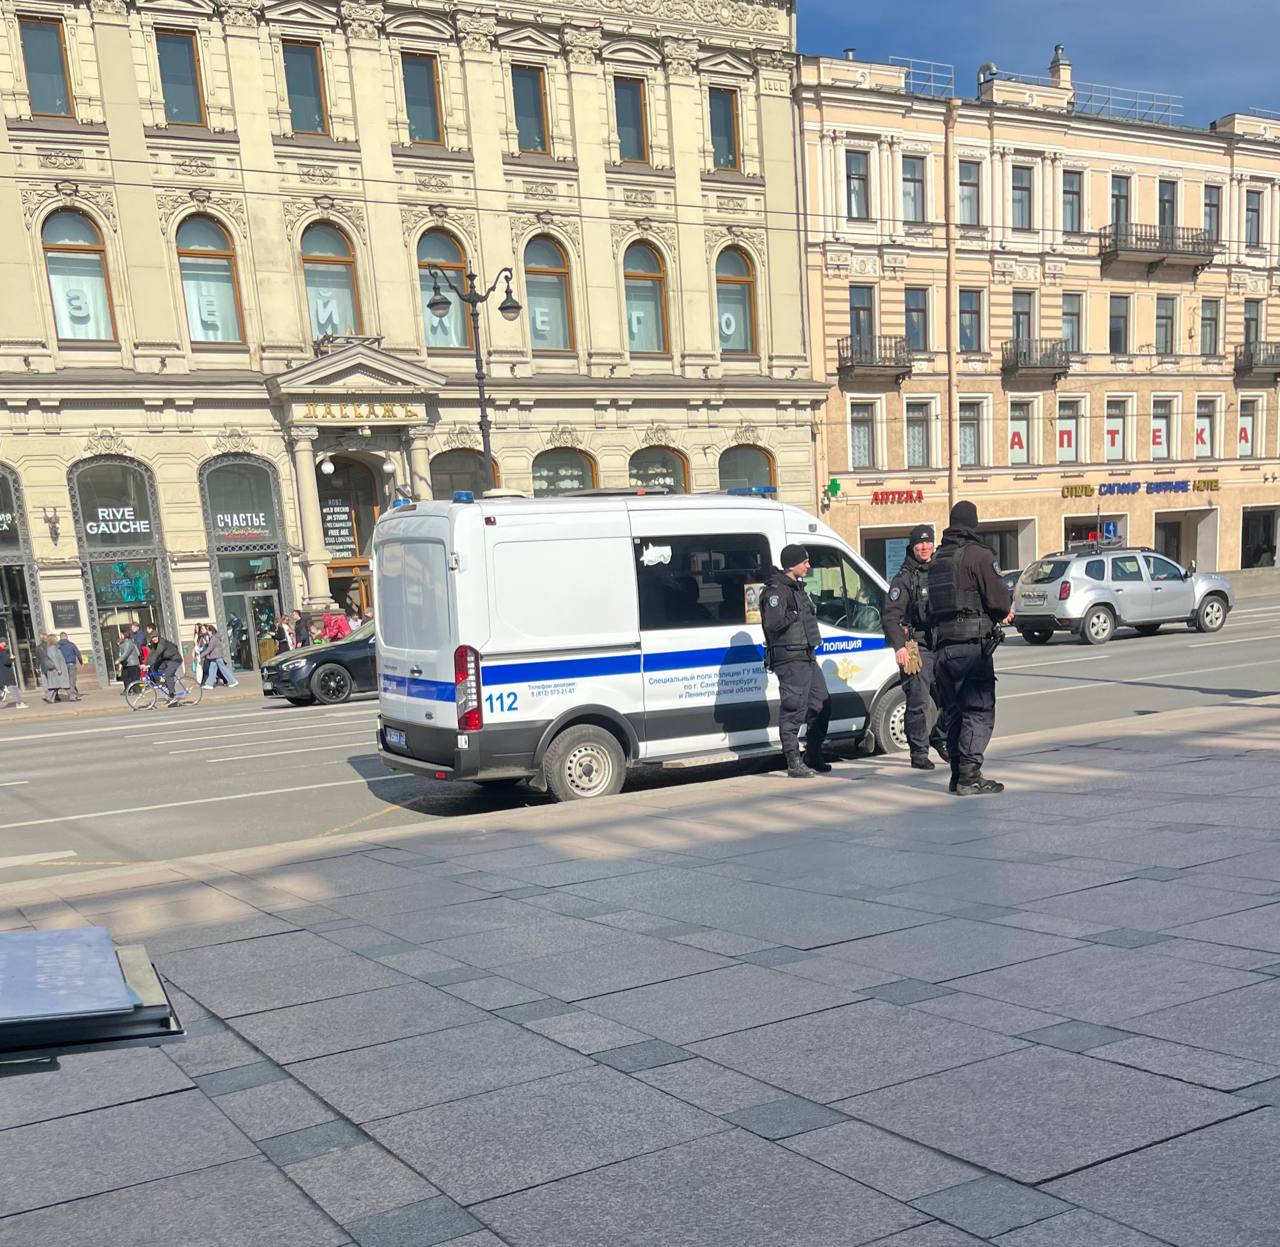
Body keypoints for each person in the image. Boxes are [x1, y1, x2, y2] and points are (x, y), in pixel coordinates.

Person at [927, 500, 1014, 797]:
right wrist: (1002, 612)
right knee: (978, 711)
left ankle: (956, 775)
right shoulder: (979, 555)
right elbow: (1000, 602)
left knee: (954, 712)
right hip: (971, 648)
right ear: (973, 523)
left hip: (942, 649)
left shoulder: (938, 560)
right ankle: (969, 776)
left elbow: (928, 608)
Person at [882, 524, 950, 771]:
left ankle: (940, 737)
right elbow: (890, 617)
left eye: (928, 542)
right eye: (920, 543)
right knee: (918, 700)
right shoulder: (904, 579)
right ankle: (919, 753)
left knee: (952, 696)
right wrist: (899, 647)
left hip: (942, 642)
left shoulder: (941, 571)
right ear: (912, 546)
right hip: (915, 645)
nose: (925, 547)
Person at [761, 543, 831, 778]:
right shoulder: (776, 591)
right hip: (790, 657)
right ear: (792, 564)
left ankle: (813, 754)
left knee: (822, 703)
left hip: (806, 655)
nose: (808, 565)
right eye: (805, 562)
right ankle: (793, 761)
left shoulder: (796, 588)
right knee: (794, 708)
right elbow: (773, 623)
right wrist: (792, 615)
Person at [146, 630, 183, 705]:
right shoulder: (154, 644)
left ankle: (172, 695)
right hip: (167, 659)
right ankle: (165, 683)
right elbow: (151, 654)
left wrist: (148, 664)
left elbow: (157, 654)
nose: (154, 639)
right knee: (156, 667)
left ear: (158, 636)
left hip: (175, 659)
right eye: (152, 637)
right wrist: (145, 664)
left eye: (155, 637)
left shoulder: (162, 643)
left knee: (168, 674)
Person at [38, 634, 71, 703]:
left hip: (56, 669)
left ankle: (50, 698)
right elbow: (55, 659)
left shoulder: (52, 647)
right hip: (57, 670)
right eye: (56, 638)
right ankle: (72, 696)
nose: (57, 639)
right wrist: (58, 669)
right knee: (60, 684)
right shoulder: (52, 648)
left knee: (56, 685)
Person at [57, 631, 83, 702]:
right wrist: (81, 662)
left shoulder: (58, 646)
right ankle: (72, 696)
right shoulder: (71, 645)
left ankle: (72, 694)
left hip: (63, 665)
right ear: (66, 636)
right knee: (72, 680)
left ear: (60, 637)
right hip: (72, 664)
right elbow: (78, 653)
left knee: (66, 680)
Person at [0, 641, 27, 709]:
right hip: (6, 673)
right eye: (4, 642)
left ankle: (3, 693)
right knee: (13, 688)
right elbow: (6, 662)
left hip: (2, 673)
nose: (5, 643)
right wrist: (11, 658)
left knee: (11, 687)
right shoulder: (2, 651)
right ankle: (19, 703)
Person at [117, 627, 141, 694]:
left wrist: (119, 660)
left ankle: (137, 691)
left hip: (132, 663)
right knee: (125, 677)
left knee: (134, 678)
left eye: (121, 634)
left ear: (124, 634)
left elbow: (126, 653)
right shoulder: (124, 642)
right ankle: (128, 690)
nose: (120, 636)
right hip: (127, 663)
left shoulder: (128, 642)